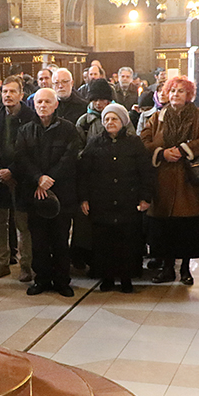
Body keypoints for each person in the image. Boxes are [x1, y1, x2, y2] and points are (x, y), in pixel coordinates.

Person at [141, 76, 199, 285]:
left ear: (189, 95)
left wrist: (183, 150)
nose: (175, 95)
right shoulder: (157, 117)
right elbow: (144, 141)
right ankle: (166, 268)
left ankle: (185, 269)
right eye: (172, 91)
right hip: (162, 180)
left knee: (186, 227)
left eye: (181, 91)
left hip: (188, 181)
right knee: (164, 227)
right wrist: (161, 153)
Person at [78, 104, 154, 293]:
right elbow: (84, 173)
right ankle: (107, 277)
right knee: (104, 241)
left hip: (128, 200)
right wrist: (84, 198)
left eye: (114, 119)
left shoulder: (134, 143)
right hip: (101, 200)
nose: (110, 123)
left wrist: (145, 198)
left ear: (123, 121)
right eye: (107, 120)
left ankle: (126, 278)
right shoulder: (94, 143)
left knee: (127, 241)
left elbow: (145, 172)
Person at [15, 87, 79, 297]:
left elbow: (69, 158)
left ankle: (62, 281)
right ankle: (41, 279)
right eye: (39, 102)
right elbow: (22, 157)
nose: (42, 106)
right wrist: (38, 179)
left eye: (47, 102)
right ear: (34, 104)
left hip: (62, 193)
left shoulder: (68, 129)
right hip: (36, 193)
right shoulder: (25, 130)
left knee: (60, 240)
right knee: (39, 241)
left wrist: (50, 178)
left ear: (56, 105)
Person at [0, 75, 38, 283]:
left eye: (12, 92)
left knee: (22, 224)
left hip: (22, 178)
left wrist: (13, 171)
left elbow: (31, 150)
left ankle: (25, 265)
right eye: (5, 91)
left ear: (21, 95)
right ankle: (2, 263)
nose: (8, 95)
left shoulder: (30, 117)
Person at [76, 79, 114, 143]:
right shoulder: (84, 122)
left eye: (102, 99)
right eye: (95, 100)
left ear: (108, 100)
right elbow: (79, 145)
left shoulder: (120, 117)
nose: (98, 103)